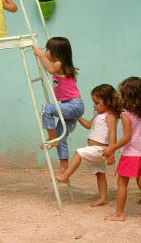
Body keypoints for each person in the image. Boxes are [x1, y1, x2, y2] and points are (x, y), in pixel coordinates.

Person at [55, 84, 121, 207]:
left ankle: (66, 175)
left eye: (97, 103)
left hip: (101, 150)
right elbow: (88, 125)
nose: (94, 106)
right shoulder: (98, 115)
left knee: (79, 152)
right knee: (100, 174)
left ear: (108, 101)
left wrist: (111, 151)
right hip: (95, 149)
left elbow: (113, 135)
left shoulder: (110, 116)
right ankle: (103, 198)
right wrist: (77, 116)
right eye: (94, 103)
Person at [102, 77, 141, 221]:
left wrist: (112, 148)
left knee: (122, 183)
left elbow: (127, 138)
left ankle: (119, 214)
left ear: (127, 96)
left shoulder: (126, 115)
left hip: (130, 155)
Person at [33, 37, 84, 174]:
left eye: (47, 49)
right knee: (61, 137)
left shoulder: (59, 64)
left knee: (46, 109)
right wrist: (43, 56)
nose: (45, 51)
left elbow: (50, 69)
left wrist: (40, 54)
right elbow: (48, 66)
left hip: (74, 105)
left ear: (56, 53)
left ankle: (51, 138)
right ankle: (63, 169)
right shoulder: (64, 65)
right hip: (71, 105)